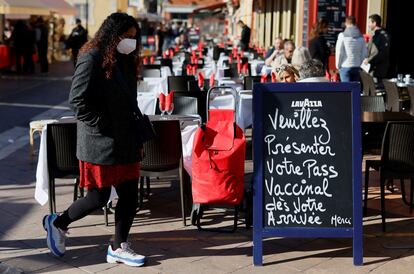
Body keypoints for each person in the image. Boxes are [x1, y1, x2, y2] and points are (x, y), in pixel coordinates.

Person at [42, 13, 146, 267]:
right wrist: (103, 124)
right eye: (126, 37)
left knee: (130, 195)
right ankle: (57, 222)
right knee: (98, 199)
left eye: (134, 38)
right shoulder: (91, 57)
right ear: (112, 34)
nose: (131, 42)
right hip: (101, 142)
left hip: (126, 140)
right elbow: (77, 100)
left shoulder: (125, 60)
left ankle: (118, 246)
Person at [335, 16, 367, 82]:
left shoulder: (342, 35)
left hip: (345, 65)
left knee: (346, 89)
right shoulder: (361, 37)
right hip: (357, 66)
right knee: (355, 89)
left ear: (346, 23)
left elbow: (339, 52)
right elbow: (364, 53)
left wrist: (338, 66)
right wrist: (360, 63)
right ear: (355, 23)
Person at [363, 14, 390, 85]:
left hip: (379, 71)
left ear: (374, 23)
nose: (368, 25)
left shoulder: (384, 36)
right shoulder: (374, 35)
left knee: (376, 91)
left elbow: (383, 53)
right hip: (372, 69)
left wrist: (369, 60)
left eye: (369, 22)